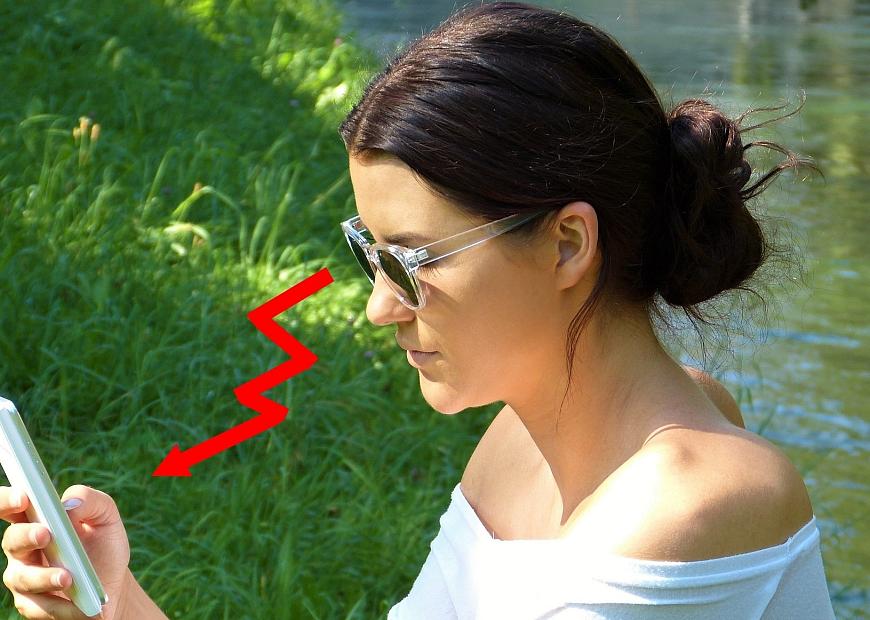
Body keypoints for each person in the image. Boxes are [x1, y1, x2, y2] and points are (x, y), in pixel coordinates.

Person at [0, 2, 836, 618]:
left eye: (412, 261)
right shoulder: (523, 445)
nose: (378, 308)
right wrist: (111, 603)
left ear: (567, 244)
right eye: (371, 255)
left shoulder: (688, 504)